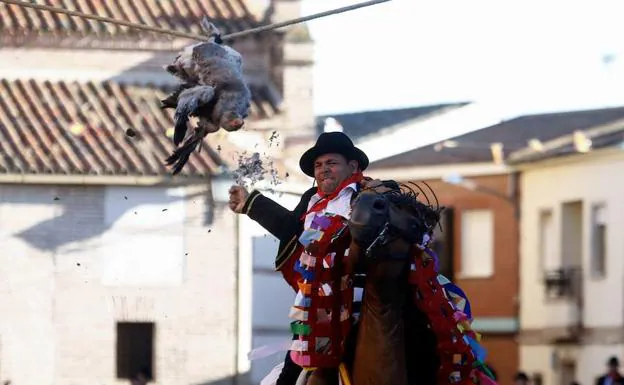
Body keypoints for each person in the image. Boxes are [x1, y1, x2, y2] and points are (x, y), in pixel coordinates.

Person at [228, 131, 399, 384]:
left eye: (331, 163)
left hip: (364, 304)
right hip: (316, 308)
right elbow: (290, 230)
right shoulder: (311, 200)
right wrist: (251, 203)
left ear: (352, 166)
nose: (323, 170)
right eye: (319, 165)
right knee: (289, 376)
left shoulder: (370, 195)